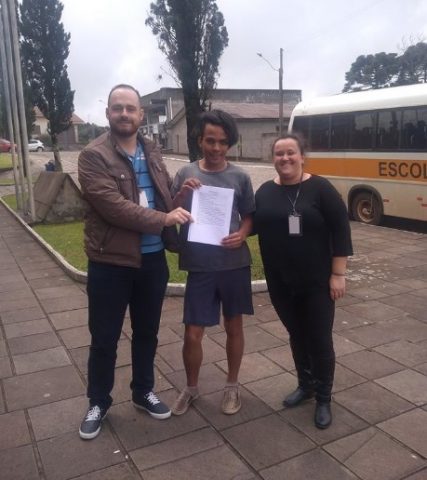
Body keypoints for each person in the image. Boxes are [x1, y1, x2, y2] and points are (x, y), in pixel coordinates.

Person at [77, 84, 192, 440]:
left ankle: (143, 391)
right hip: (110, 263)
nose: (124, 114)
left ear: (141, 115)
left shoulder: (151, 149)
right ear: (108, 113)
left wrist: (181, 195)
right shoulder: (93, 155)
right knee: (104, 337)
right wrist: (164, 218)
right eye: (118, 108)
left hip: (152, 261)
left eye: (131, 108)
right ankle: (98, 401)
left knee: (147, 333)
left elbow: (161, 196)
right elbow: (114, 207)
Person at [254, 133, 353, 429]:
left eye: (290, 152)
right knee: (296, 334)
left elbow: (341, 229)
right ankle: (305, 385)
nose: (285, 158)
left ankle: (323, 397)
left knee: (319, 339)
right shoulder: (265, 192)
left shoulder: (320, 188)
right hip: (280, 282)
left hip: (317, 282)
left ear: (302, 156)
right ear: (273, 158)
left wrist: (338, 274)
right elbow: (250, 223)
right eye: (279, 153)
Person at [170, 110, 255, 416]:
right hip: (200, 265)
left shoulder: (240, 177)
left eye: (222, 142)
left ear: (230, 143)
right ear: (200, 140)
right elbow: (170, 210)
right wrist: (182, 193)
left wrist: (242, 234)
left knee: (234, 327)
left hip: (233, 264)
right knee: (192, 333)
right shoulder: (186, 173)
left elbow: (249, 215)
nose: (216, 148)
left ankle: (232, 386)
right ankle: (191, 388)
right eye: (210, 140)